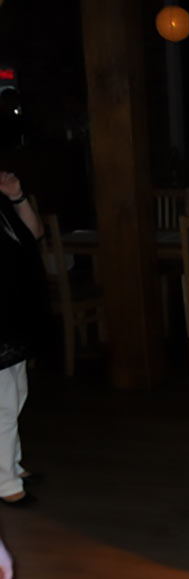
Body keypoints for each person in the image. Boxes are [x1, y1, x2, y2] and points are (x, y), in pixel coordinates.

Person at [1, 170, 45, 508]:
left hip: (13, 313)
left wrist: (16, 195)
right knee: (3, 401)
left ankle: (12, 465)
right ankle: (5, 482)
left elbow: (35, 233)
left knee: (17, 393)